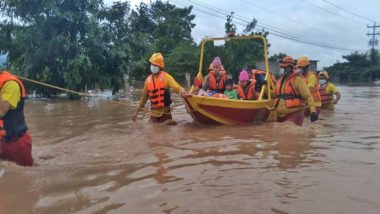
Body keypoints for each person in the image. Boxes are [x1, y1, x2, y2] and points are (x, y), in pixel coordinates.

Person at [133, 53, 188, 123]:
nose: (153, 66)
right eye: (152, 64)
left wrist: (182, 90)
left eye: (155, 65)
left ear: (160, 66)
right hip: (153, 115)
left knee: (167, 126)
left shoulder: (166, 77)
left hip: (165, 114)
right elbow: (143, 98)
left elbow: (176, 87)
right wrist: (136, 113)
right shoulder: (147, 81)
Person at [271, 56, 318, 126]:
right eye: (282, 67)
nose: (283, 69)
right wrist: (265, 88)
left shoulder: (298, 80)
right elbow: (274, 95)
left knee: (290, 133)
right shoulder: (280, 81)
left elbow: (308, 96)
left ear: (290, 68)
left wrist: (313, 111)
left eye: (285, 67)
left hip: (294, 113)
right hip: (280, 114)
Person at [0, 70, 33, 166]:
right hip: (2, 141)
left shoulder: (11, 85)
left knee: (25, 175)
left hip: (16, 143)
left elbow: (1, 111)